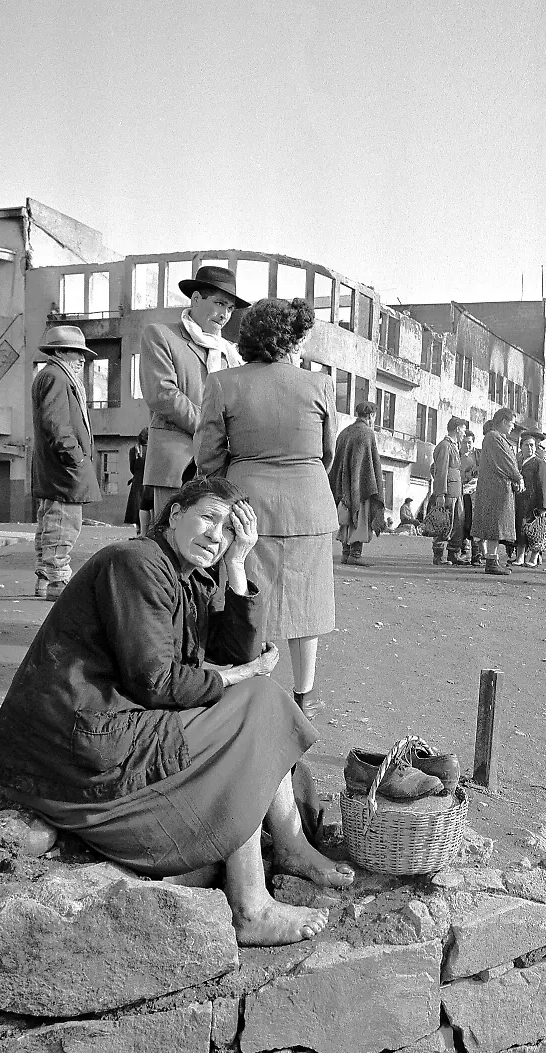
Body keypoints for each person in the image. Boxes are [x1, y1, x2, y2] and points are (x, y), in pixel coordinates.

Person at [0, 476, 353, 947]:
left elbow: (232, 654)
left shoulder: (184, 573)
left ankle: (290, 846)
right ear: (176, 515)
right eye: (209, 519)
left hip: (109, 726)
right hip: (80, 741)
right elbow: (154, 680)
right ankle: (252, 903)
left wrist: (238, 563)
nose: (217, 536)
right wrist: (237, 677)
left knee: (256, 700)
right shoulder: (135, 563)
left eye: (229, 530)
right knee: (255, 704)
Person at [196, 297, 337, 720]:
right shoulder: (319, 385)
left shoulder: (222, 382)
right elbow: (327, 452)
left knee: (246, 596)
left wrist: (241, 475)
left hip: (246, 506)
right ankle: (305, 695)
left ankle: (254, 690)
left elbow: (207, 456)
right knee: (306, 603)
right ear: (290, 339)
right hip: (309, 506)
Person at [142, 265, 248, 517]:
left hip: (219, 468)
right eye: (219, 304)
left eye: (230, 308)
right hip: (176, 466)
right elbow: (163, 395)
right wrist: (212, 429)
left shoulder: (230, 353)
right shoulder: (161, 335)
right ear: (196, 298)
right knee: (168, 543)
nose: (224, 315)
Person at [30, 325, 101, 600]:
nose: (82, 359)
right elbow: (55, 423)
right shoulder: (57, 376)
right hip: (64, 468)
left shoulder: (51, 375)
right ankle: (56, 581)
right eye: (76, 352)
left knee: (51, 521)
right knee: (63, 524)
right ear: (60, 351)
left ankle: (45, 580)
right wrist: (76, 457)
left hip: (58, 467)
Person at [329, 400, 385, 567]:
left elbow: (336, 462)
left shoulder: (344, 432)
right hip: (362, 486)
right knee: (360, 519)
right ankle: (355, 553)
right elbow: (370, 465)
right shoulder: (367, 433)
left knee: (347, 518)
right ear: (371, 415)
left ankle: (345, 553)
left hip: (344, 487)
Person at [472, 407, 524, 576]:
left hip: (498, 487)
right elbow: (506, 462)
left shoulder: (496, 438)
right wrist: (518, 477)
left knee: (496, 525)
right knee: (495, 524)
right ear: (503, 421)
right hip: (495, 488)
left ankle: (493, 559)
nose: (512, 427)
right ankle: (491, 561)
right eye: (511, 423)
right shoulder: (494, 437)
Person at [430, 416, 467, 566]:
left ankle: (453, 554)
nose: (464, 434)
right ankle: (438, 556)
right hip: (448, 492)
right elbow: (440, 470)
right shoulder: (445, 446)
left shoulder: (454, 446)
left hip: (456, 491)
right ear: (457, 429)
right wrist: (440, 493)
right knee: (444, 523)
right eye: (463, 430)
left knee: (457, 524)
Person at [513, 432, 546, 568]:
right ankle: (520, 556)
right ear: (521, 447)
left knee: (536, 530)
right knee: (521, 530)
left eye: (532, 445)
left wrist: (543, 507)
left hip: (534, 503)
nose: (530, 448)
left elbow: (543, 486)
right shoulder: (518, 463)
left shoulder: (539, 463)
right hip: (520, 501)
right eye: (527, 445)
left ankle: (534, 557)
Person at [123, 428, 153, 535]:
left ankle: (139, 531)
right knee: (149, 506)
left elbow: (132, 468)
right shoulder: (152, 449)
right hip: (149, 480)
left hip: (137, 481)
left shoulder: (134, 450)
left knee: (137, 506)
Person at [459, 429, 480, 564]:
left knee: (475, 522)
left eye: (470, 442)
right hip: (460, 493)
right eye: (465, 442)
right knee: (462, 522)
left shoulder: (479, 455)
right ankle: (464, 551)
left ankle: (476, 554)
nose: (467, 445)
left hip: (476, 494)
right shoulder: (456, 454)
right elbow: (434, 468)